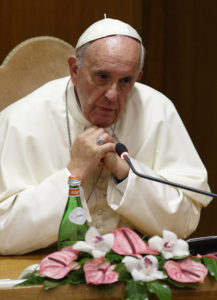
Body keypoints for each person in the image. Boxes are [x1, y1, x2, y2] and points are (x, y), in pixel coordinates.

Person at [0, 18, 212, 255]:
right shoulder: (21, 120)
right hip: (41, 268)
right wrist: (74, 173)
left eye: (126, 81)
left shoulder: (158, 110)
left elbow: (184, 222)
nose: (113, 95)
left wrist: (125, 174)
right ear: (74, 70)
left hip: (136, 270)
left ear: (138, 76)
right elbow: (3, 233)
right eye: (102, 77)